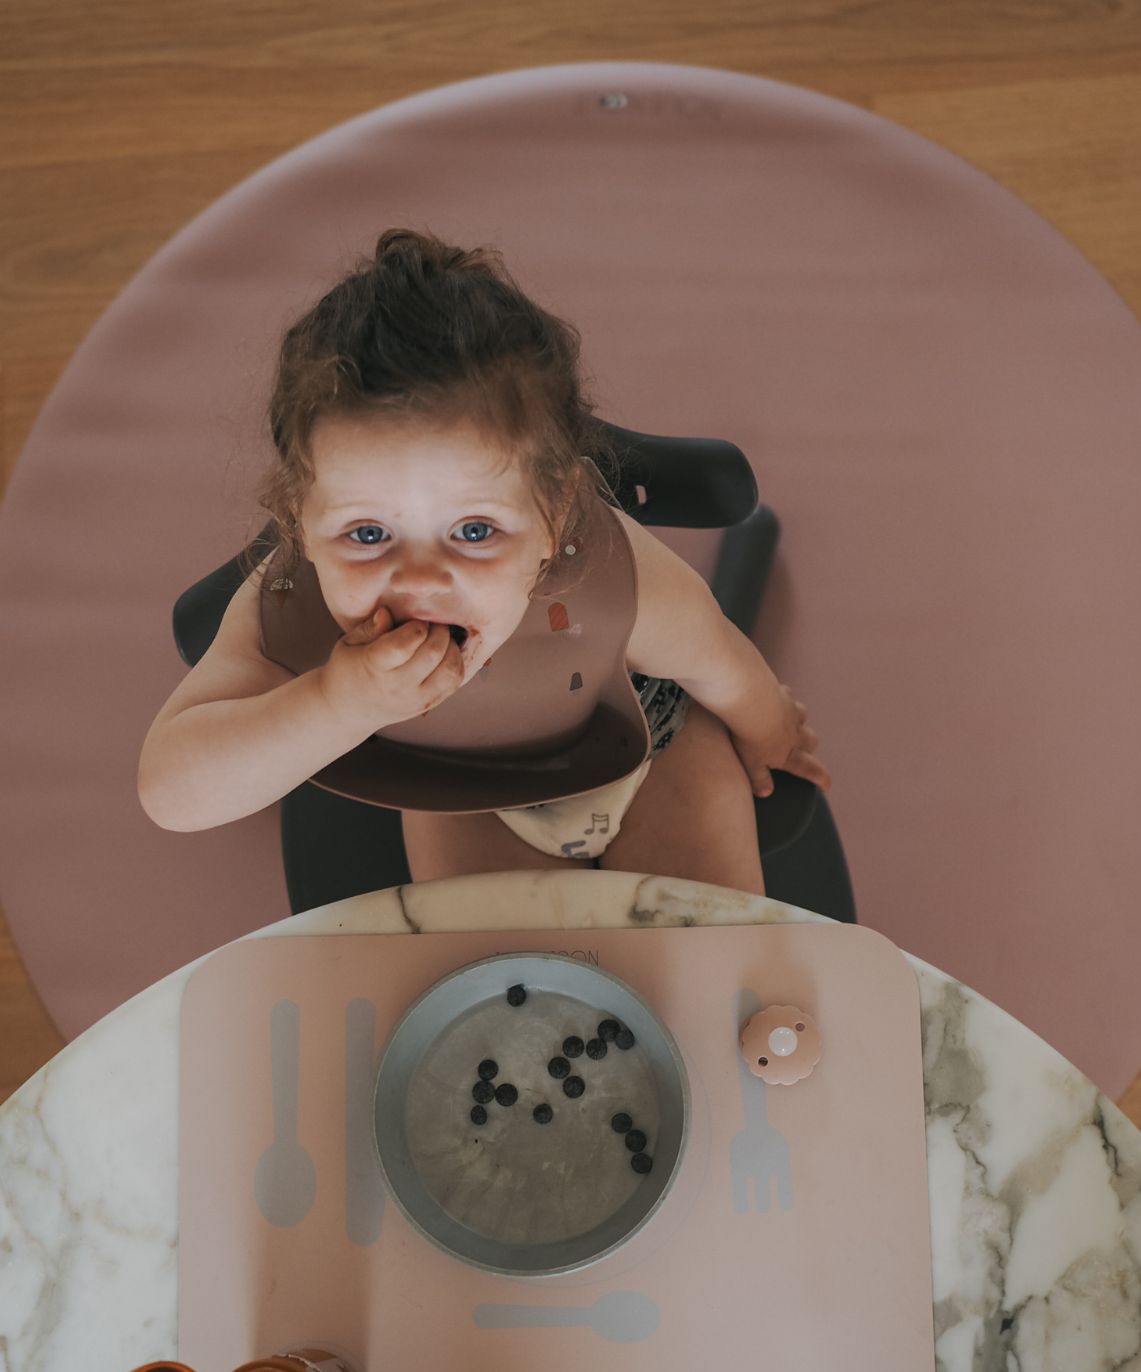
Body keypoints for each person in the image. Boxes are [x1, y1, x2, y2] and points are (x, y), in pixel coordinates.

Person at [138, 228, 831, 896]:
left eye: (473, 530)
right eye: (367, 533)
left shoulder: (613, 576)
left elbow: (716, 658)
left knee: (703, 974)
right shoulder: (295, 599)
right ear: (298, 520)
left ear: (554, 514)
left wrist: (771, 725)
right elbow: (172, 794)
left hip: (653, 751)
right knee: (510, 993)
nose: (420, 579)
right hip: (461, 792)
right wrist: (331, 705)